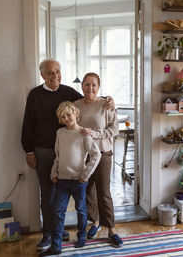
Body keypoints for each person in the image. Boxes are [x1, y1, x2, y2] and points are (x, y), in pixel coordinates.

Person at [21, 59, 114, 251]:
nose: (55, 75)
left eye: (57, 71)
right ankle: (48, 233)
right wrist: (29, 150)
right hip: (44, 152)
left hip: (70, 151)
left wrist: (108, 99)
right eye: (50, 72)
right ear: (43, 75)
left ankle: (59, 229)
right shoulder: (35, 94)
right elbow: (27, 124)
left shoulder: (68, 92)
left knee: (64, 198)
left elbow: (90, 99)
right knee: (48, 195)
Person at [40, 102, 101, 256]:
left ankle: (81, 236)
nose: (66, 118)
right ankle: (56, 246)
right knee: (58, 212)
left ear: (75, 113)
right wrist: (54, 173)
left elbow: (96, 154)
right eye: (62, 116)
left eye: (68, 114)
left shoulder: (84, 133)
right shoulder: (60, 133)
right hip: (61, 181)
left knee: (81, 209)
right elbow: (58, 155)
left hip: (79, 181)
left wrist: (85, 175)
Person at [74, 72, 123, 247]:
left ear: (99, 87)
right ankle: (94, 222)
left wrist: (96, 134)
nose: (90, 88)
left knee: (104, 192)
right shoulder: (76, 105)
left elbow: (114, 129)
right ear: (82, 86)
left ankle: (111, 229)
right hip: (83, 154)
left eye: (94, 85)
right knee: (87, 191)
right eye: (87, 84)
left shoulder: (106, 104)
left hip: (103, 153)